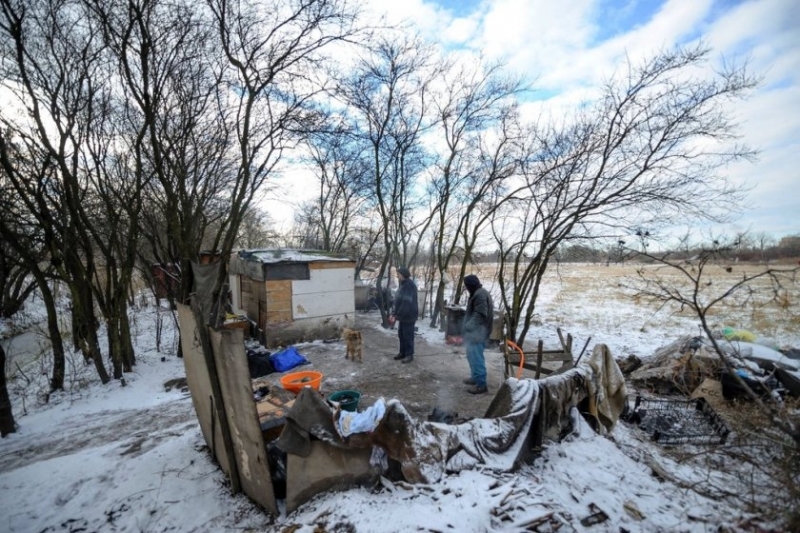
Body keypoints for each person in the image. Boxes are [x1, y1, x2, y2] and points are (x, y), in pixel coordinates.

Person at [462, 274, 493, 394]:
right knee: (471, 356)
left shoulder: (480, 295)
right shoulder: (479, 292)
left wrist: (468, 326)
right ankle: (475, 378)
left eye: (466, 286)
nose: (466, 288)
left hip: (478, 333)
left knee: (476, 358)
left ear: (470, 285)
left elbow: (480, 314)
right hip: (475, 333)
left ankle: (481, 385)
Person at [390, 267, 418, 364]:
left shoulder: (409, 285)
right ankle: (402, 352)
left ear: (403, 275)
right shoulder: (403, 284)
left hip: (409, 316)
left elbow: (406, 303)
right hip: (403, 316)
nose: (398, 276)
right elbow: (398, 300)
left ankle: (409, 355)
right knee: (401, 335)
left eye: (399, 274)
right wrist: (394, 313)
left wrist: (398, 315)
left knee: (408, 336)